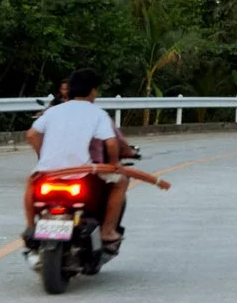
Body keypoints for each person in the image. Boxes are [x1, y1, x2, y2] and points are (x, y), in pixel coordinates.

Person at [24, 69, 171, 248]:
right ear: (93, 91)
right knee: (120, 182)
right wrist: (114, 164)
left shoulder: (53, 111)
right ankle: (107, 231)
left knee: (31, 183)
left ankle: (30, 227)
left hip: (49, 172)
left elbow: (31, 135)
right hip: (82, 172)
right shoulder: (97, 113)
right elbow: (111, 142)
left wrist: (42, 156)